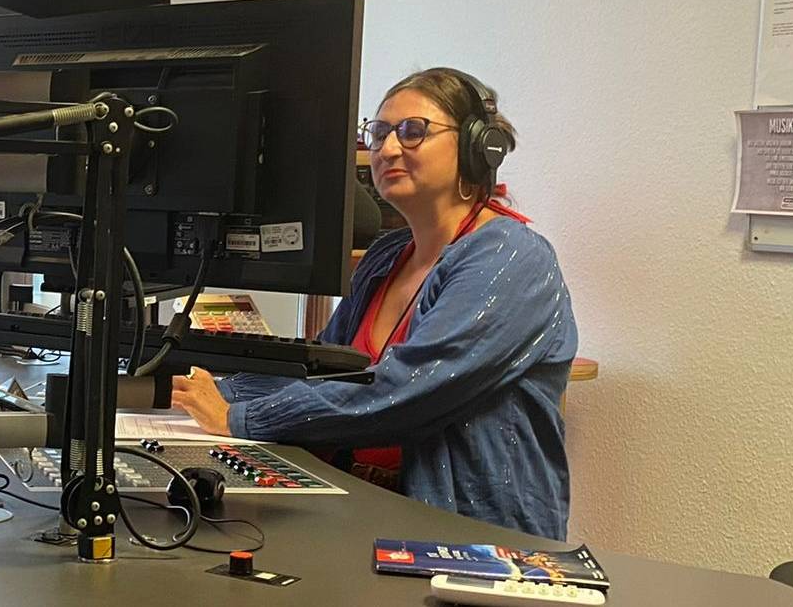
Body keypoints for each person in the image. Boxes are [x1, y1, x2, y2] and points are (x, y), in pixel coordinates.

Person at [169, 67, 578, 539]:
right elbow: (325, 368)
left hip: (476, 541)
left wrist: (240, 417)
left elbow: (405, 390)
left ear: (475, 148)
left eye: (412, 131)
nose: (385, 149)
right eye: (378, 132)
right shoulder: (387, 256)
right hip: (364, 513)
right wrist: (211, 388)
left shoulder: (510, 258)